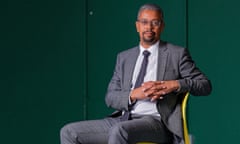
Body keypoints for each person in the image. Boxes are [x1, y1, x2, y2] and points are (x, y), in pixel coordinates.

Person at [60, 3, 212, 144]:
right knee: (69, 132)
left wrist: (174, 84)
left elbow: (205, 85)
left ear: (162, 26)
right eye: (144, 22)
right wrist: (134, 94)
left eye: (155, 22)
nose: (149, 27)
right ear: (137, 26)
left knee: (118, 131)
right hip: (123, 118)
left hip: (156, 122)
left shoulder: (176, 54)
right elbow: (110, 97)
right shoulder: (124, 57)